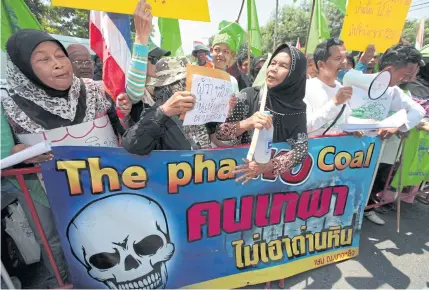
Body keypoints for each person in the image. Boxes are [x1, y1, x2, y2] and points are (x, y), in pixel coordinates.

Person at [215, 44, 308, 183]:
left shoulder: (297, 109)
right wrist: (248, 123)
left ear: (294, 74)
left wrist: (267, 166)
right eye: (273, 63)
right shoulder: (249, 96)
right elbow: (220, 133)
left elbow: (301, 150)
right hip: (238, 175)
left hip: (272, 184)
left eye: (283, 66)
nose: (273, 69)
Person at [1, 105, 68, 288]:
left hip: (24, 173)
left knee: (47, 235)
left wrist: (22, 148)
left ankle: (60, 281)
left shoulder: (6, 90)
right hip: (16, 172)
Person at [122, 57, 226, 154]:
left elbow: (217, 135)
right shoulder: (155, 113)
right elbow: (131, 145)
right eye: (185, 81)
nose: (190, 85)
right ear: (167, 87)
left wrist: (222, 110)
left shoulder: (197, 106)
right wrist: (163, 113)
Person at [67, 43, 127, 137]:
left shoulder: (102, 91)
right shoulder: (55, 96)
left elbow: (117, 126)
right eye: (78, 62)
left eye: (88, 62)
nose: (85, 66)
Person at [304, 38, 351, 136]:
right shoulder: (306, 88)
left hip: (341, 150)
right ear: (321, 64)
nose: (345, 62)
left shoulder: (342, 88)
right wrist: (334, 103)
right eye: (338, 58)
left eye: (345, 57)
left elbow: (345, 120)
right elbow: (304, 126)